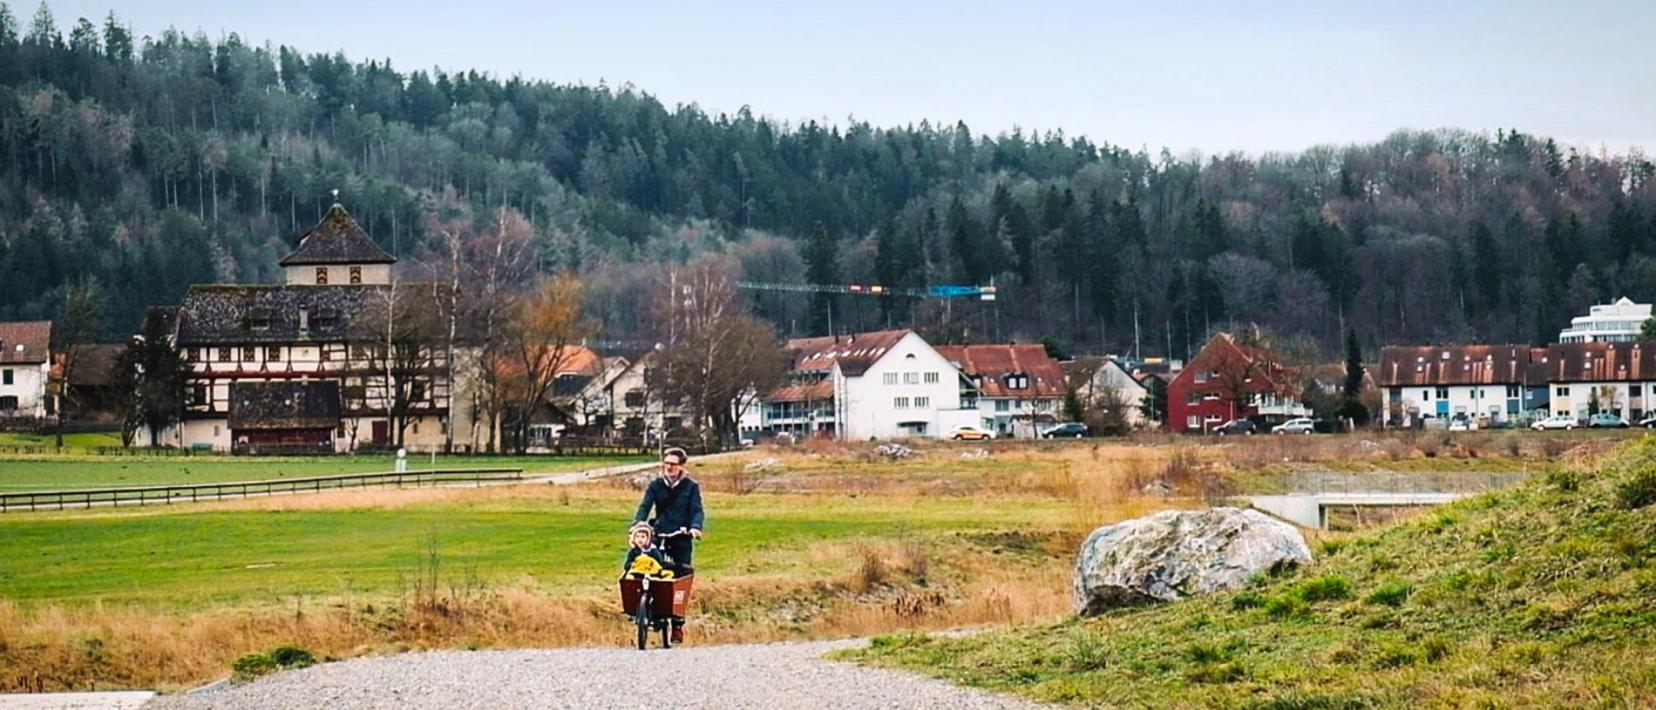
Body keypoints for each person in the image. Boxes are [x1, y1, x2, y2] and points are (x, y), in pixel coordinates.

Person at [632, 447, 703, 642]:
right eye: (666, 463)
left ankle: (678, 624)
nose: (669, 467)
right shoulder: (656, 485)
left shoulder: (690, 486)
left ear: (681, 466)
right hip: (660, 532)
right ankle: (647, 606)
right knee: (649, 566)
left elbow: (697, 510)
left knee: (682, 576)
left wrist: (695, 527)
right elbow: (645, 506)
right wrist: (638, 523)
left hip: (680, 534)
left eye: (673, 464)